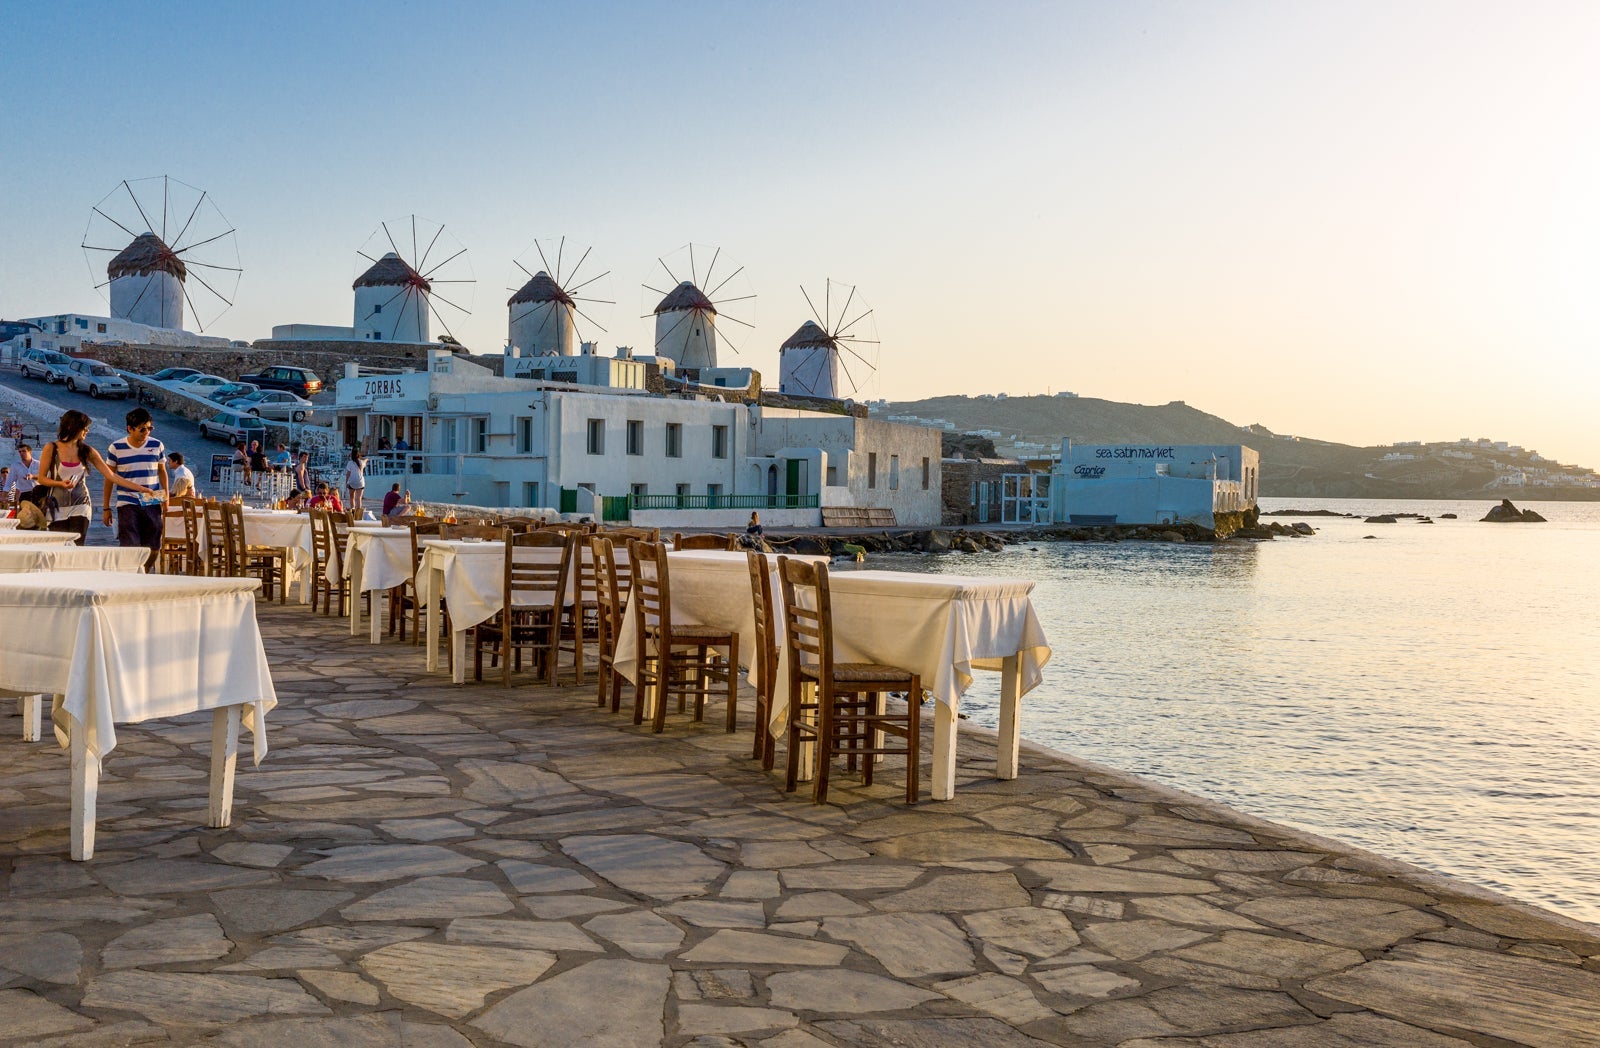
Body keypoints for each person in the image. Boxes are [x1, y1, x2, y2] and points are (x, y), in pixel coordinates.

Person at [36, 410, 151, 546]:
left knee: (77, 546)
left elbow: (111, 475)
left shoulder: (87, 451)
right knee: (58, 548)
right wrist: (60, 483)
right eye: (84, 428)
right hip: (56, 507)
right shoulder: (52, 448)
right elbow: (42, 478)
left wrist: (140, 488)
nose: (87, 431)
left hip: (81, 505)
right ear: (71, 427)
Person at [103, 407, 169, 570]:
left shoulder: (157, 445)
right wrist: (106, 507)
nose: (146, 432)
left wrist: (166, 497)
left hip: (152, 499)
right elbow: (109, 478)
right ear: (130, 429)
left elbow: (162, 472)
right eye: (142, 429)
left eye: (149, 428)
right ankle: (131, 575)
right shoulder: (116, 448)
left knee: (154, 546)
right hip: (127, 501)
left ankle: (143, 572)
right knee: (130, 545)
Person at [344, 447, 366, 511]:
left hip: (352, 483)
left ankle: (352, 510)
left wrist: (346, 482)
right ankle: (359, 511)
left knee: (351, 497)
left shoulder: (350, 463)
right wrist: (366, 459)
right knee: (359, 498)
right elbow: (364, 461)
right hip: (360, 482)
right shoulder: (361, 462)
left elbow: (348, 474)